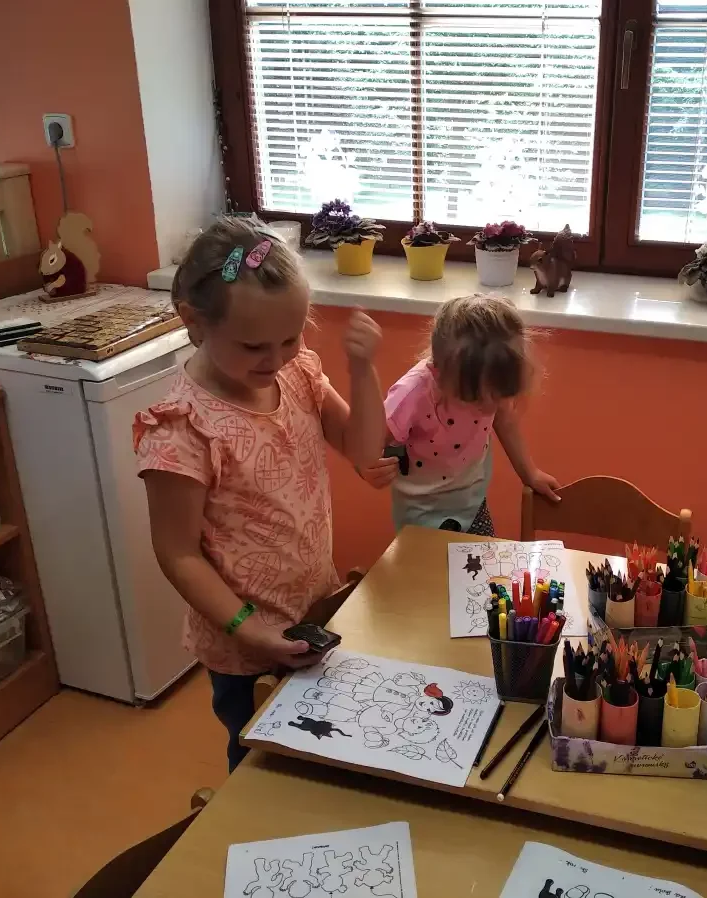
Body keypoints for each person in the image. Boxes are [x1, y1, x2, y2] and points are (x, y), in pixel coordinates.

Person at [133, 216, 386, 770]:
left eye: (290, 339)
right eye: (253, 346)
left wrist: (363, 370)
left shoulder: (296, 376)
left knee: (320, 750)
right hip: (243, 645)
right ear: (194, 322)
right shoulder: (182, 428)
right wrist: (252, 631)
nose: (275, 359)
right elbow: (178, 554)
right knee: (259, 761)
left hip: (314, 610)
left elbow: (365, 452)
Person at [358, 293, 559, 535]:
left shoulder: (490, 382)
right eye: (476, 398)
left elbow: (505, 420)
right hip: (420, 513)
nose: (490, 407)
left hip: (473, 504)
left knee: (481, 560)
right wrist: (366, 466)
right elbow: (367, 441)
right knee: (430, 562)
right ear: (440, 371)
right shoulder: (412, 393)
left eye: (497, 396)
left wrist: (530, 473)